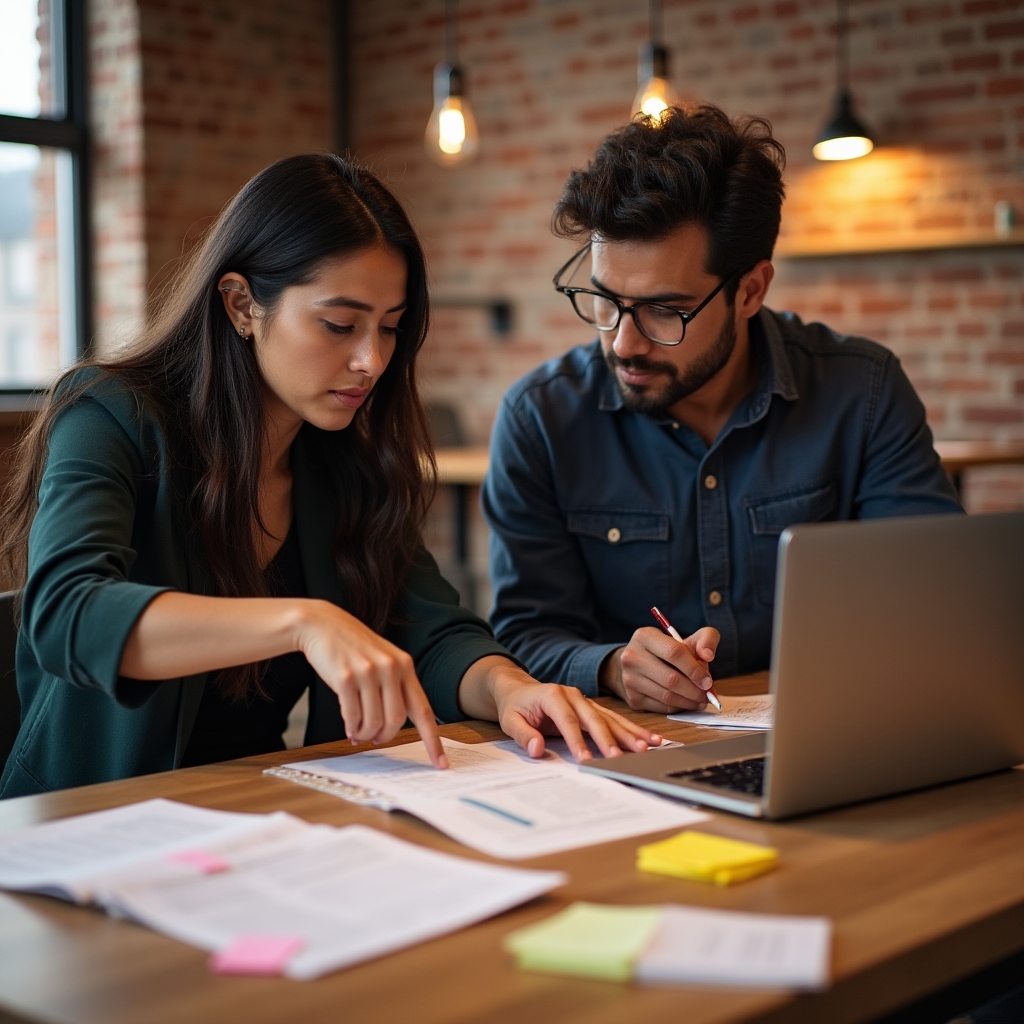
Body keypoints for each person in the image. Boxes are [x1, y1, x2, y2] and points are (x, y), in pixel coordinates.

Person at [0, 154, 657, 799]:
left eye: (391, 329)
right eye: (339, 325)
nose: (371, 360)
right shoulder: (108, 414)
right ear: (240, 306)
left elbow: (434, 631)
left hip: (248, 810)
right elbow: (67, 613)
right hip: (83, 822)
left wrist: (510, 688)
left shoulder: (344, 462)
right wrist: (302, 621)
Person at [483, 105, 962, 716]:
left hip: (831, 727)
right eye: (604, 301)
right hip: (630, 757)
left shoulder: (860, 394)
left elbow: (931, 603)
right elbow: (524, 635)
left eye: (664, 310)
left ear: (751, 291)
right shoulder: (541, 419)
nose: (624, 342)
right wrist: (608, 667)